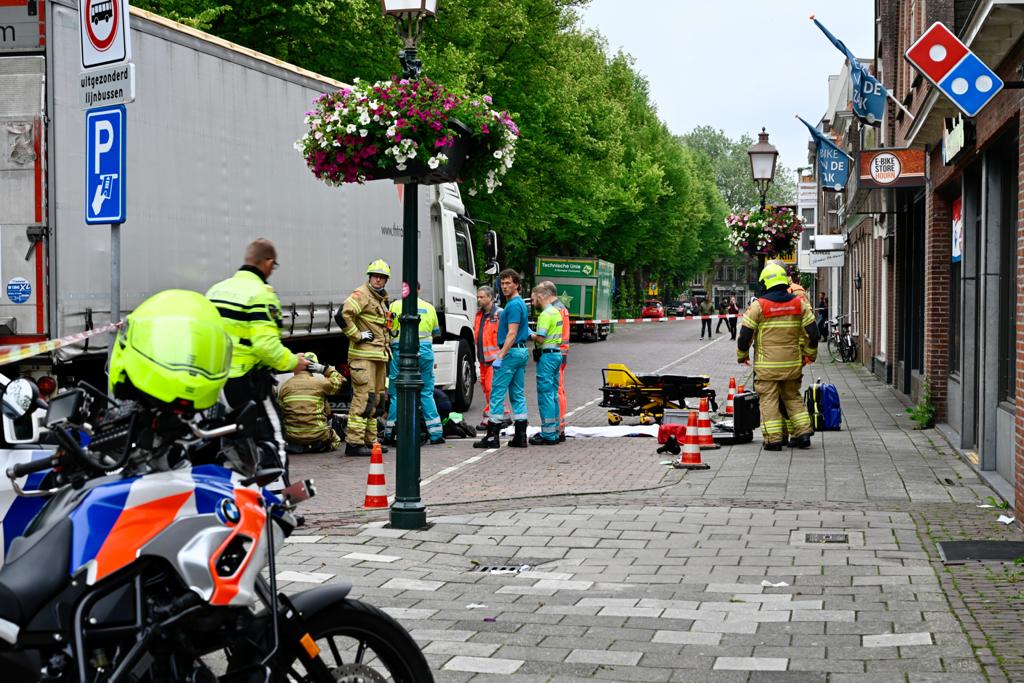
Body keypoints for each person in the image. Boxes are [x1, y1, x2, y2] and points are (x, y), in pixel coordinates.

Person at [206, 239, 308, 485]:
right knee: (274, 440)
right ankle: (278, 506)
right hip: (247, 382)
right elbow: (266, 346)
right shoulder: (261, 295)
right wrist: (294, 362)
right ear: (268, 262)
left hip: (214, 382)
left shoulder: (215, 291)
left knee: (230, 442)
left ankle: (232, 500)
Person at [737, 263, 820, 451]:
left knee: (768, 400)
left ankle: (774, 440)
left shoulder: (758, 306)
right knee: (792, 397)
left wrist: (742, 356)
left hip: (767, 367)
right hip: (792, 363)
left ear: (765, 283)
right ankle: (803, 433)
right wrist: (810, 354)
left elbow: (744, 336)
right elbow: (813, 333)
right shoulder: (799, 303)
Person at [338, 259, 392, 457]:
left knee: (376, 399)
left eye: (382, 277)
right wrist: (357, 335)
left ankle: (370, 441)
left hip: (378, 356)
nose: (378, 280)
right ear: (369, 277)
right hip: (363, 357)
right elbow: (342, 315)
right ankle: (354, 442)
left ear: (386, 280)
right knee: (363, 398)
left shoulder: (381, 299)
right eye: (375, 276)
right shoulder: (361, 294)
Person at [473, 269, 531, 449]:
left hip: (511, 353)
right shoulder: (520, 304)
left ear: (516, 284)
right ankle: (521, 436)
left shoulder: (513, 305)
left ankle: (492, 436)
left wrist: (500, 355)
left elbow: (512, 333)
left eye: (508, 283)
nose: (505, 287)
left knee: (497, 393)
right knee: (517, 394)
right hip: (521, 352)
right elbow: (524, 330)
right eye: (503, 283)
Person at [384, 283, 444, 446]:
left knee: (397, 393)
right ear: (419, 289)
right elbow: (436, 333)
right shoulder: (429, 307)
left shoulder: (394, 306)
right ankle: (436, 433)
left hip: (401, 352)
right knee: (426, 392)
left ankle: (390, 432)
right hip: (425, 353)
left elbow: (388, 328)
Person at [278, 352, 345, 452]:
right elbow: (341, 380)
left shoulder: (285, 386)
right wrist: (325, 369)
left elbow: (281, 412)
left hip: (292, 436)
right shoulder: (320, 383)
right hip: (318, 435)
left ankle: (299, 446)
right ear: (314, 367)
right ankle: (320, 446)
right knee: (336, 440)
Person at [528, 282, 564, 446]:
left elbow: (541, 338)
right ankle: (555, 430)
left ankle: (548, 434)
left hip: (547, 357)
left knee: (545, 395)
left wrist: (529, 333)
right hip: (556, 354)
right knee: (553, 394)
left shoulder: (545, 315)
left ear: (540, 296)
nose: (532, 301)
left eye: (533, 298)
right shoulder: (556, 312)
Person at [474, 286, 509, 429]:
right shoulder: (479, 315)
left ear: (490, 298)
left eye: (482, 297)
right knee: (488, 388)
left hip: (495, 359)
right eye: (478, 297)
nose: (479, 299)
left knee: (491, 388)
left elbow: (508, 334)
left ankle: (491, 418)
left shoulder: (499, 314)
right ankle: (503, 415)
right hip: (483, 359)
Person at [540, 280, 571, 441]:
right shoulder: (561, 308)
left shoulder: (554, 310)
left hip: (554, 352)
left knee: (555, 390)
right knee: (559, 390)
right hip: (561, 353)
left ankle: (557, 427)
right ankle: (560, 426)